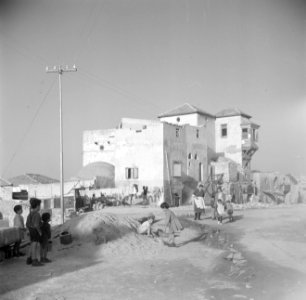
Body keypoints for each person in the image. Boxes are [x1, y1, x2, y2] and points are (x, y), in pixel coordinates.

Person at [26, 198, 44, 266]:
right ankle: (34, 260)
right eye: (40, 205)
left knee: (32, 245)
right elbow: (36, 225)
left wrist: (28, 230)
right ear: (37, 206)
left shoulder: (30, 214)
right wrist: (39, 232)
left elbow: (27, 223)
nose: (40, 207)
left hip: (31, 230)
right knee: (35, 245)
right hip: (35, 231)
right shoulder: (37, 214)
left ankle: (29, 259)